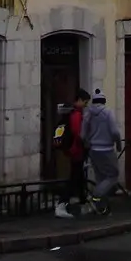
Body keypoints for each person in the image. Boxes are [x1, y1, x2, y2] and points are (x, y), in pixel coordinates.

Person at [81, 87, 122, 215]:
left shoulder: (88, 114)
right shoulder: (108, 113)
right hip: (107, 149)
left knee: (100, 178)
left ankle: (101, 207)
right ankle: (94, 196)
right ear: (104, 100)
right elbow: (115, 132)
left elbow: (82, 135)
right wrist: (118, 143)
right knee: (112, 176)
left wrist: (88, 142)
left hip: (93, 150)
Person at [52, 88, 90, 218]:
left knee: (79, 178)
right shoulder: (76, 114)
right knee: (74, 178)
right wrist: (86, 145)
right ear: (79, 100)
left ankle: (84, 204)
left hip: (74, 150)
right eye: (85, 102)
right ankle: (61, 204)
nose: (86, 105)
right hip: (76, 150)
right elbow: (78, 134)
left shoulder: (71, 113)